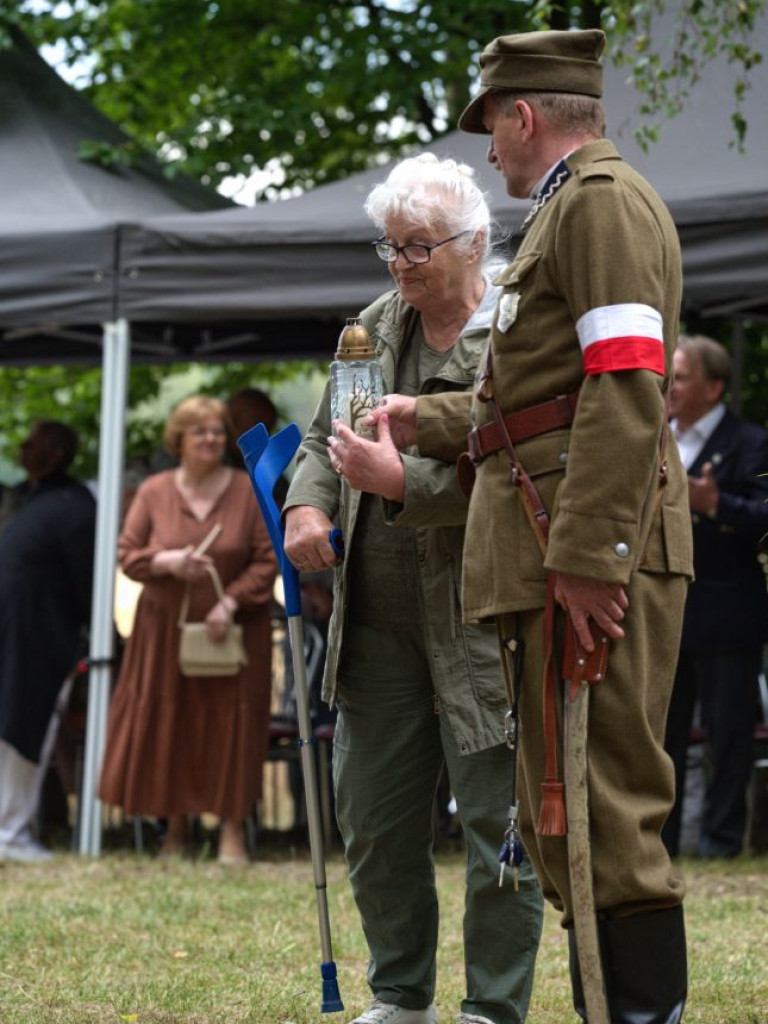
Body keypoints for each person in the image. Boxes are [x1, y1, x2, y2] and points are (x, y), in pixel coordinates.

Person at [357, 30, 695, 1024]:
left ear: (524, 114)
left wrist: (593, 557)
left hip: (585, 552)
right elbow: (537, 399)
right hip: (554, 547)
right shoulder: (568, 210)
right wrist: (429, 419)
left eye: (492, 128)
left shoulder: (600, 205)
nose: (489, 150)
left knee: (601, 808)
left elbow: (626, 383)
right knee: (565, 811)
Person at [283, 153, 543, 1024]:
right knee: (373, 818)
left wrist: (405, 486)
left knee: (499, 823)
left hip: (482, 617)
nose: (400, 263)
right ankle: (400, 996)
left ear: (473, 243)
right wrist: (306, 508)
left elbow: (524, 468)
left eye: (418, 246)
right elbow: (323, 440)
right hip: (376, 623)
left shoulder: (514, 330)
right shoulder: (371, 326)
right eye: (389, 246)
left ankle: (493, 1007)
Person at [98, 395, 277, 864]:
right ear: (178, 439)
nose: (211, 439)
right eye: (200, 431)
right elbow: (128, 555)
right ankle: (174, 830)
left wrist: (230, 601)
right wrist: (167, 561)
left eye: (217, 430)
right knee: (170, 722)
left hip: (233, 631)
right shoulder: (154, 491)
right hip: (164, 633)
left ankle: (232, 831)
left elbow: (268, 558)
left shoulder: (246, 490)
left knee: (232, 724)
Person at [663, 333, 768, 859]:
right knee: (662, 737)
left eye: (681, 378)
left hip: (728, 615)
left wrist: (715, 504)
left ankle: (721, 842)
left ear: (714, 386)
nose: (670, 387)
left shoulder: (751, 442)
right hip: (664, 614)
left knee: (728, 735)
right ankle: (659, 843)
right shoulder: (654, 436)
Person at [0, 420, 95, 861]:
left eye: (31, 444)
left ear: (56, 453)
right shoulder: (25, 499)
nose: (22, 450)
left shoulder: (74, 505)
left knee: (26, 727)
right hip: (12, 629)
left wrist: (98, 634)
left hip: (41, 637)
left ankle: (12, 832)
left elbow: (87, 580)